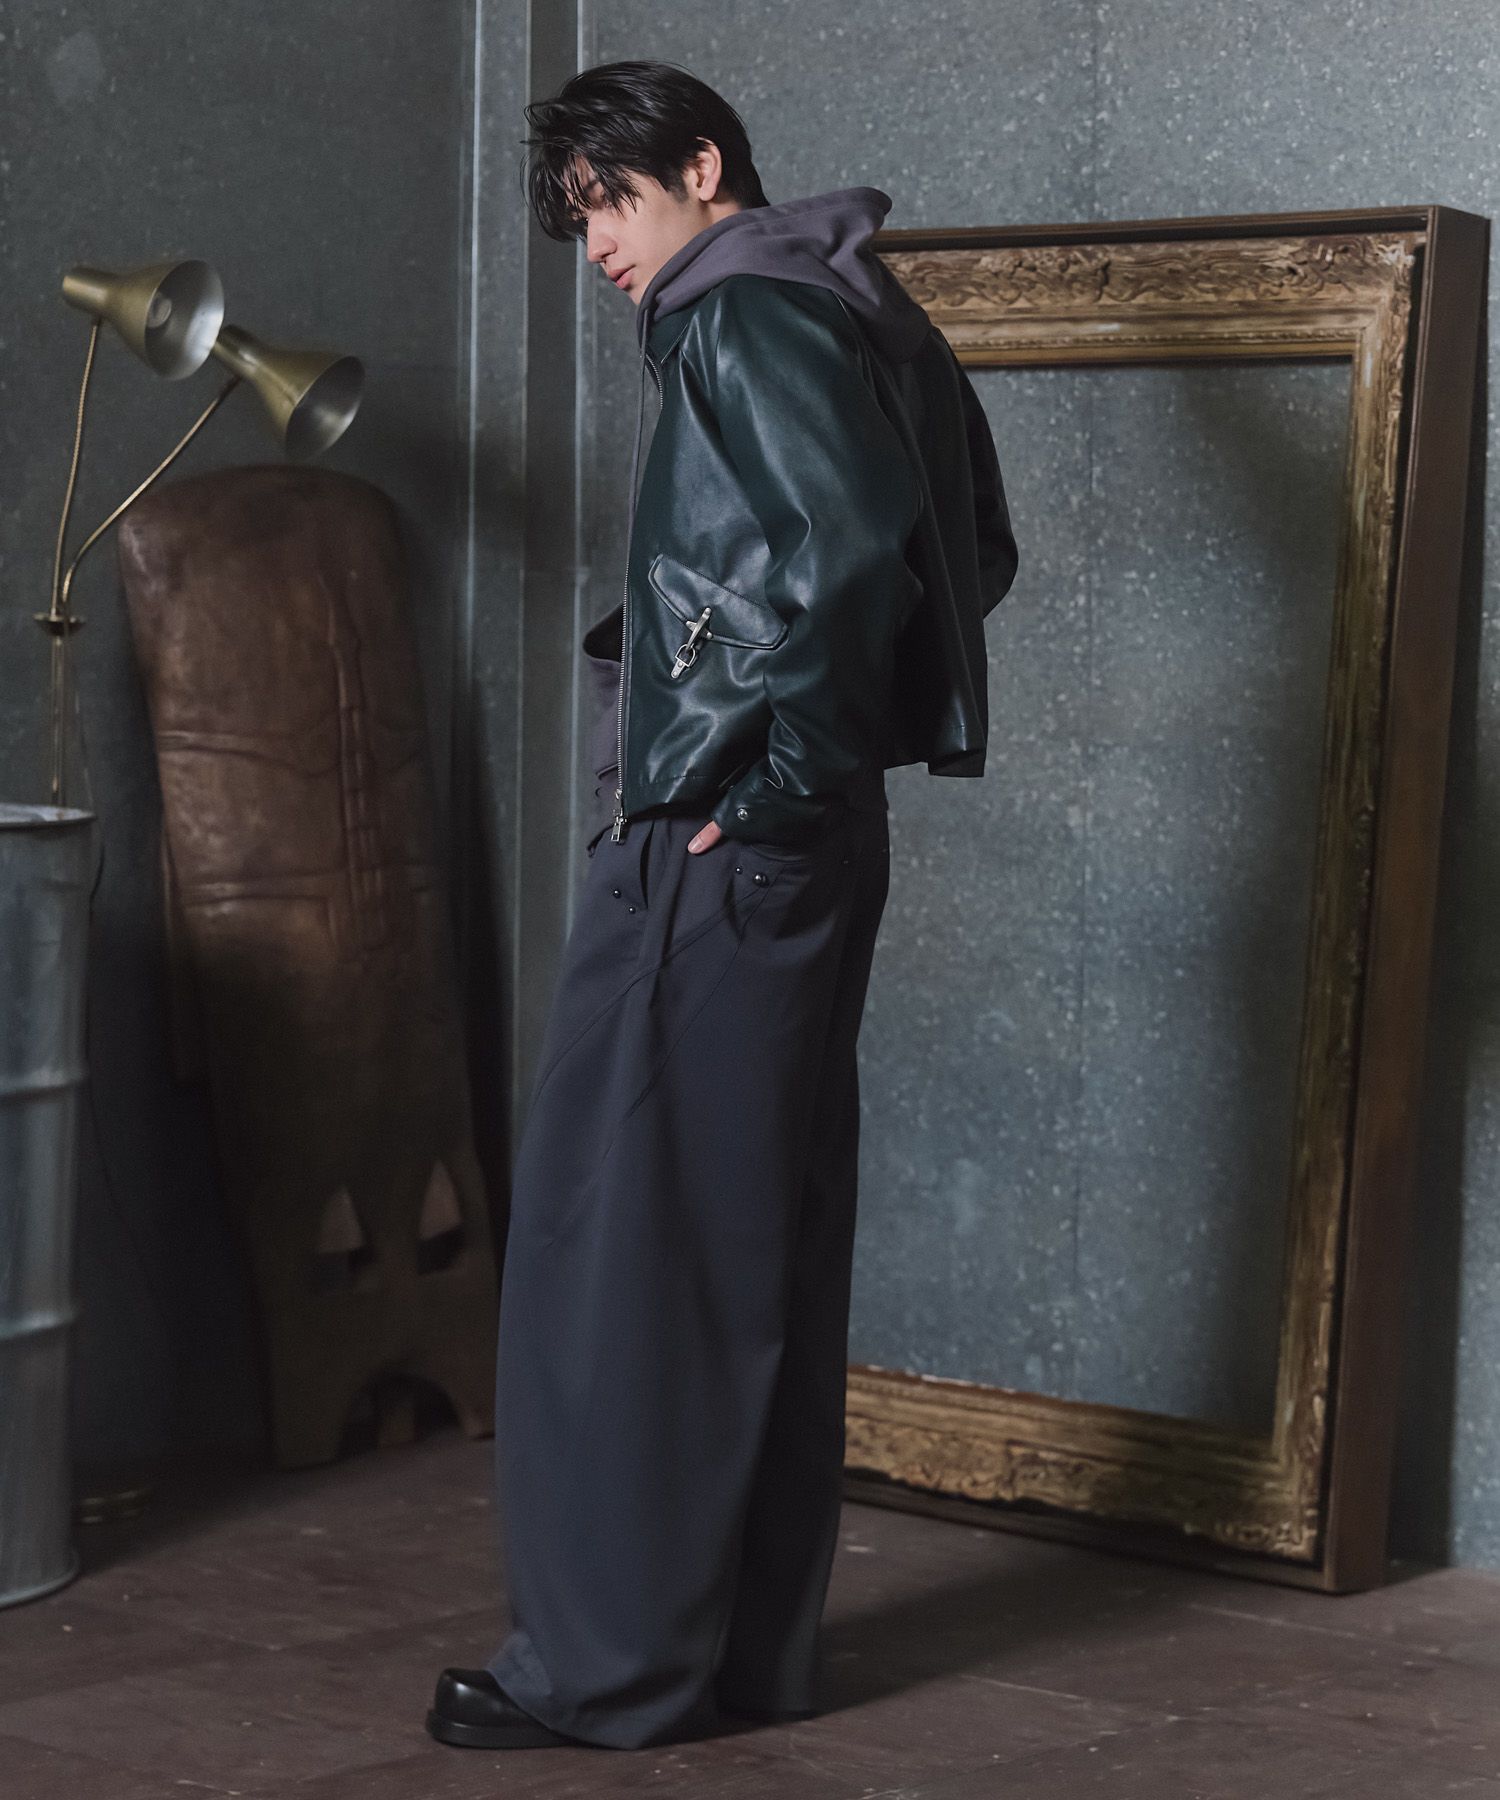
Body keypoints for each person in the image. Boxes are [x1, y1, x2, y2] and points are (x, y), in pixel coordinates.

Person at [426, 58, 1018, 1753]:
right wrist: (814, 776)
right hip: (801, 847)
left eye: (611, 202)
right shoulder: (860, 305)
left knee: (620, 1249)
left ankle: (606, 1672)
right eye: (575, 221)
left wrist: (765, 778)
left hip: (726, 840)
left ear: (701, 167)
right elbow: (971, 548)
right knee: (753, 1242)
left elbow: (855, 547)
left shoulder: (741, 308)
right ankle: (740, 1657)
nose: (599, 245)